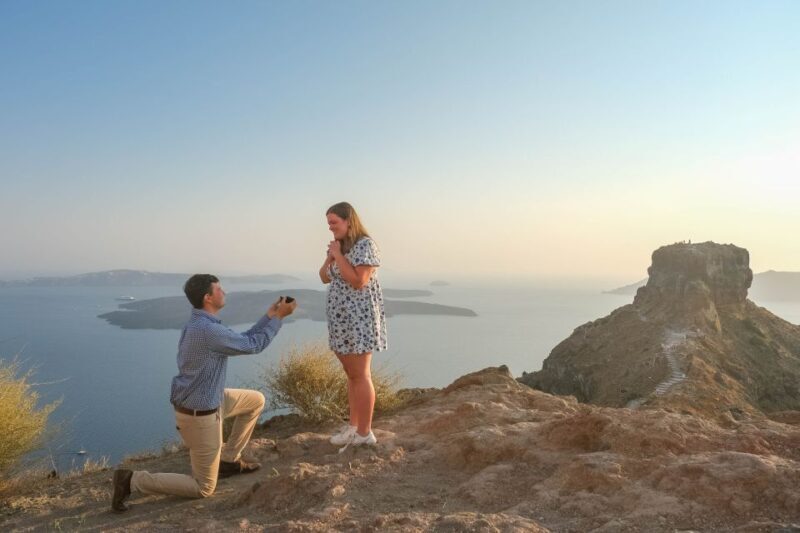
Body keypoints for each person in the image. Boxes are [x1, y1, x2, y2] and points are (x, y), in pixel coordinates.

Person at [111, 274, 296, 513]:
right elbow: (253, 345)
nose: (225, 292)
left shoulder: (202, 323)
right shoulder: (208, 330)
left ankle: (228, 460)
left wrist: (270, 316)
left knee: (255, 401)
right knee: (203, 488)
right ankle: (132, 480)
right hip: (201, 415)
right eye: (219, 289)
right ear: (208, 297)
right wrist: (279, 318)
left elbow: (244, 339)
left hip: (211, 399)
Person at [319, 202, 387, 448]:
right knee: (351, 376)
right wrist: (331, 258)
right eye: (329, 224)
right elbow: (324, 276)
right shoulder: (342, 247)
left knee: (361, 375)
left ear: (349, 221)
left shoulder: (365, 245)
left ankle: (365, 433)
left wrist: (337, 255)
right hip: (342, 322)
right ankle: (354, 427)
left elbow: (359, 280)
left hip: (359, 321)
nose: (331, 228)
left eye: (334, 223)